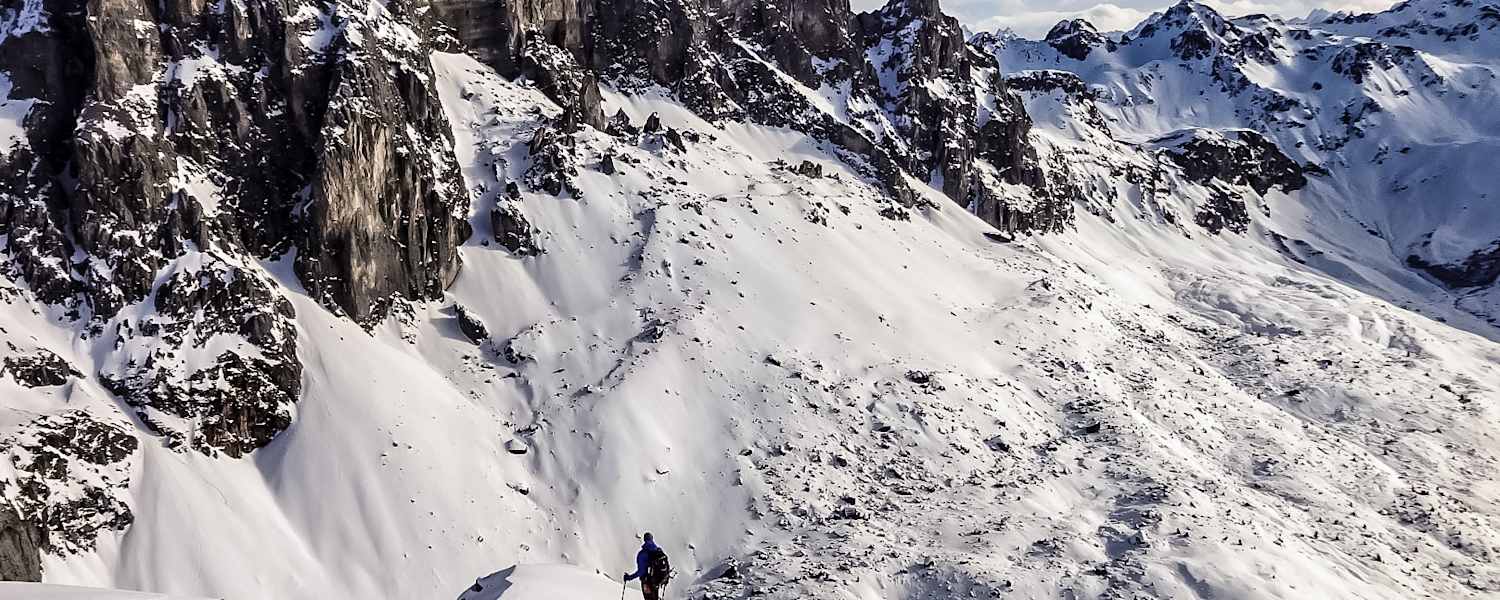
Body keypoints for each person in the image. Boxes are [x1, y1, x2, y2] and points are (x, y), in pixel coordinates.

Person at [623, 532, 671, 600]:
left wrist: (629, 577)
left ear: (644, 539)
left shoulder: (642, 554)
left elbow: (641, 571)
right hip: (656, 582)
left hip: (647, 582)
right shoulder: (658, 551)